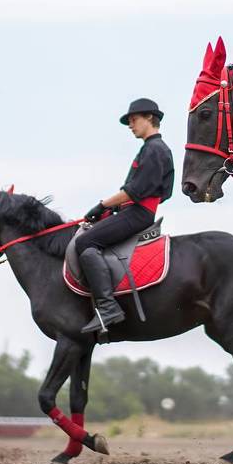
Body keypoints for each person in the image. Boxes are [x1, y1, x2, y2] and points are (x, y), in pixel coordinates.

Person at [75, 98, 174, 333]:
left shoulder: (154, 149)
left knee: (85, 241)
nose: (130, 125)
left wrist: (101, 205)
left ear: (150, 117)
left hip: (138, 213)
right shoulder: (152, 149)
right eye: (129, 121)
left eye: (133, 120)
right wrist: (113, 208)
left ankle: (108, 307)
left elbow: (134, 190)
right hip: (135, 209)